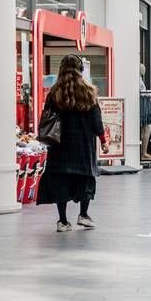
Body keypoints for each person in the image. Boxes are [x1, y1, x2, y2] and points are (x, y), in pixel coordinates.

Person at [37, 55, 109, 232]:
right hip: (83, 145)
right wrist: (103, 140)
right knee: (85, 177)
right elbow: (96, 121)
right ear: (81, 70)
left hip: (59, 145)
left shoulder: (54, 93)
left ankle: (62, 221)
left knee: (61, 180)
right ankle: (83, 215)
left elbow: (47, 118)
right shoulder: (89, 91)